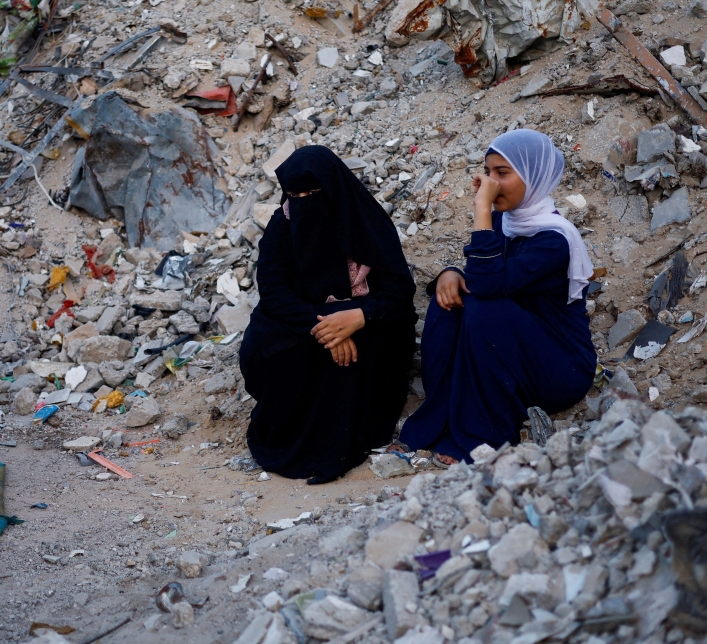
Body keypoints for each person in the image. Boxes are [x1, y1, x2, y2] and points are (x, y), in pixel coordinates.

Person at [398, 129, 597, 465]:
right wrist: (452, 272)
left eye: (502, 173)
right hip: (512, 353)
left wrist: (481, 210)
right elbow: (482, 277)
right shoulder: (508, 222)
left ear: (533, 177)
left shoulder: (554, 239)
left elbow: (489, 286)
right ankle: (442, 416)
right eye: (488, 172)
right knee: (449, 301)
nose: (490, 183)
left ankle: (481, 435)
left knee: (481, 307)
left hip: (558, 369)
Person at [239, 145, 417, 485]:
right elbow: (274, 292)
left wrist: (357, 317)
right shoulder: (284, 223)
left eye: (312, 193)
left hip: (366, 319)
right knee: (265, 342)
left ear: (333, 189)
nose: (303, 201)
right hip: (309, 319)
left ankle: (338, 447)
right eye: (295, 193)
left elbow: (398, 294)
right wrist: (327, 327)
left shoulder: (365, 222)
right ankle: (291, 436)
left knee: (363, 347)